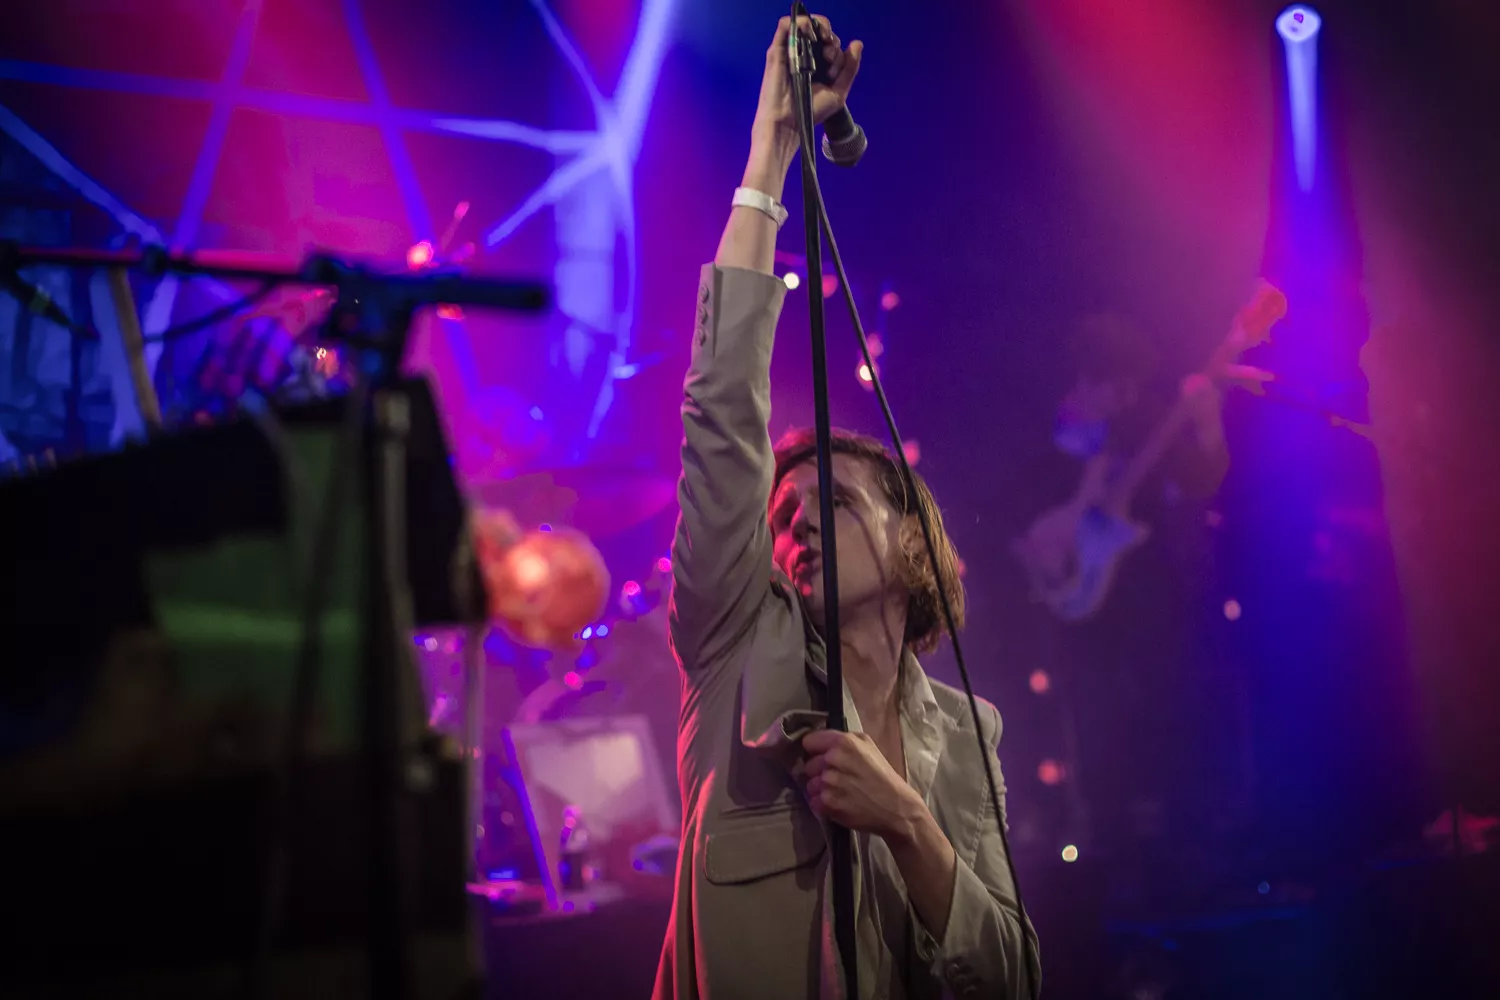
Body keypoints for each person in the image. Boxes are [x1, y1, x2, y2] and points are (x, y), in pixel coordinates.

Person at [652, 15, 1039, 1000]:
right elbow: (721, 412)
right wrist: (772, 151)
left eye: (834, 499)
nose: (799, 523)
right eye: (782, 516)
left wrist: (907, 822)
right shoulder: (735, 649)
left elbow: (1012, 979)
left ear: (914, 540)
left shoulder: (972, 734)